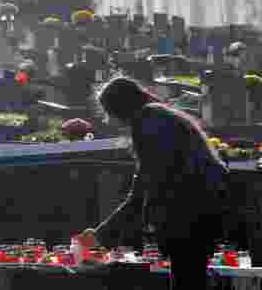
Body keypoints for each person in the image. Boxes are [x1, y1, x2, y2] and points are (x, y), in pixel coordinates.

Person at [77, 77, 230, 290]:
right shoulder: (158, 115)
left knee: (187, 277)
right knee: (192, 275)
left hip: (190, 209)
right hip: (208, 202)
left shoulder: (148, 122)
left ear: (118, 108)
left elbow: (146, 187)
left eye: (109, 112)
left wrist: (102, 235)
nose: (110, 120)